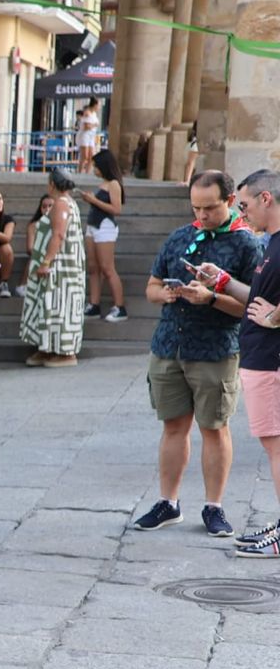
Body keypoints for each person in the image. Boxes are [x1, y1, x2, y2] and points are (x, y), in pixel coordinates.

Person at [132, 170, 263, 536]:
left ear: (230, 201)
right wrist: (169, 293)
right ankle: (168, 502)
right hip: (169, 344)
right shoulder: (180, 236)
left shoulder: (246, 245)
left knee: (213, 427)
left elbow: (254, 305)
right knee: (173, 426)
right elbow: (152, 287)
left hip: (214, 348)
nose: (202, 215)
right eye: (196, 207)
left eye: (209, 208)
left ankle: (214, 506)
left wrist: (211, 298)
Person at [188, 169, 280, 554]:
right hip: (260, 357)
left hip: (270, 359)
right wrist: (223, 280)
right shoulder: (271, 242)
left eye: (244, 205)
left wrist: (276, 317)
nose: (242, 215)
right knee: (273, 445)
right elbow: (256, 293)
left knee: (276, 446)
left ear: (266, 199)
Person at [18, 168, 86, 368]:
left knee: (57, 304)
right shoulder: (65, 204)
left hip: (60, 268)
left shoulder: (62, 205)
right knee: (46, 304)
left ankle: (64, 351)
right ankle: (45, 347)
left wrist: (46, 261)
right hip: (60, 266)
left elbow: (58, 234)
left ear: (52, 184)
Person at [78, 147, 128, 321]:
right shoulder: (103, 184)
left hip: (105, 226)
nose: (94, 169)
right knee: (93, 267)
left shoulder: (114, 184)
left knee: (107, 267)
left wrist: (94, 200)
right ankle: (94, 304)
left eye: (96, 166)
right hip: (92, 225)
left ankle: (120, 306)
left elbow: (116, 209)